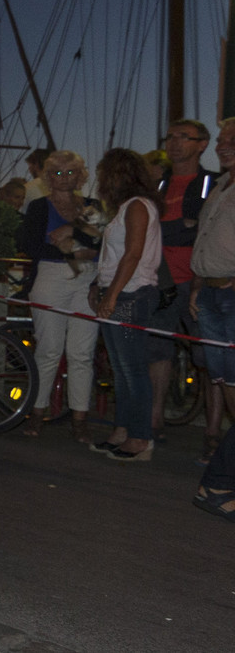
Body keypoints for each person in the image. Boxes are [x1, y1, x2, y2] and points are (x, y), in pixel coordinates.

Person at [16, 150, 103, 441]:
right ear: (47, 176)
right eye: (57, 172)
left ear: (81, 176)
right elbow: (32, 245)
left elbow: (101, 244)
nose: (64, 178)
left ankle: (80, 419)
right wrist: (79, 245)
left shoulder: (93, 205)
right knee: (48, 350)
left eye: (70, 172)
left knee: (82, 354)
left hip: (87, 280)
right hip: (51, 279)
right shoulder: (40, 207)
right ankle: (36, 413)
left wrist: (69, 233)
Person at [88, 148, 163, 461]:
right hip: (121, 291)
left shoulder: (137, 207)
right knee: (121, 370)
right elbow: (114, 256)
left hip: (132, 293)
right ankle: (123, 430)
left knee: (132, 370)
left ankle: (140, 438)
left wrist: (112, 295)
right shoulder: (124, 208)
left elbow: (132, 254)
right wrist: (99, 285)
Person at [151, 119, 216, 439]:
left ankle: (213, 430)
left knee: (209, 356)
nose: (175, 143)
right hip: (161, 280)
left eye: (184, 137)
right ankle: (154, 420)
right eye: (171, 136)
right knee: (157, 350)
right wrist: (183, 227)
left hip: (199, 281)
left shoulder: (212, 183)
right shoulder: (158, 184)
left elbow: (205, 229)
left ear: (202, 144)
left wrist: (177, 229)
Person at [189, 118, 235, 465]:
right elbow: (204, 241)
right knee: (222, 377)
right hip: (209, 294)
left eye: (231, 139)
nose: (223, 144)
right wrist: (198, 285)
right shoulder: (219, 187)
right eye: (221, 139)